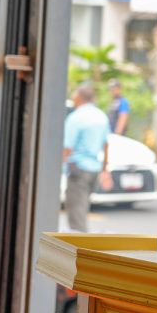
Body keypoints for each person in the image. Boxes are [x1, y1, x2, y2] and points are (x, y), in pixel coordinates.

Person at [63, 83, 113, 232]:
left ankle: (80, 244)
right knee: (82, 209)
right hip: (93, 170)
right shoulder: (101, 116)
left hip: (78, 169)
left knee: (76, 215)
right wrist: (105, 170)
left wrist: (61, 168)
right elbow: (106, 145)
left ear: (79, 97)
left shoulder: (76, 117)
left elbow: (67, 147)